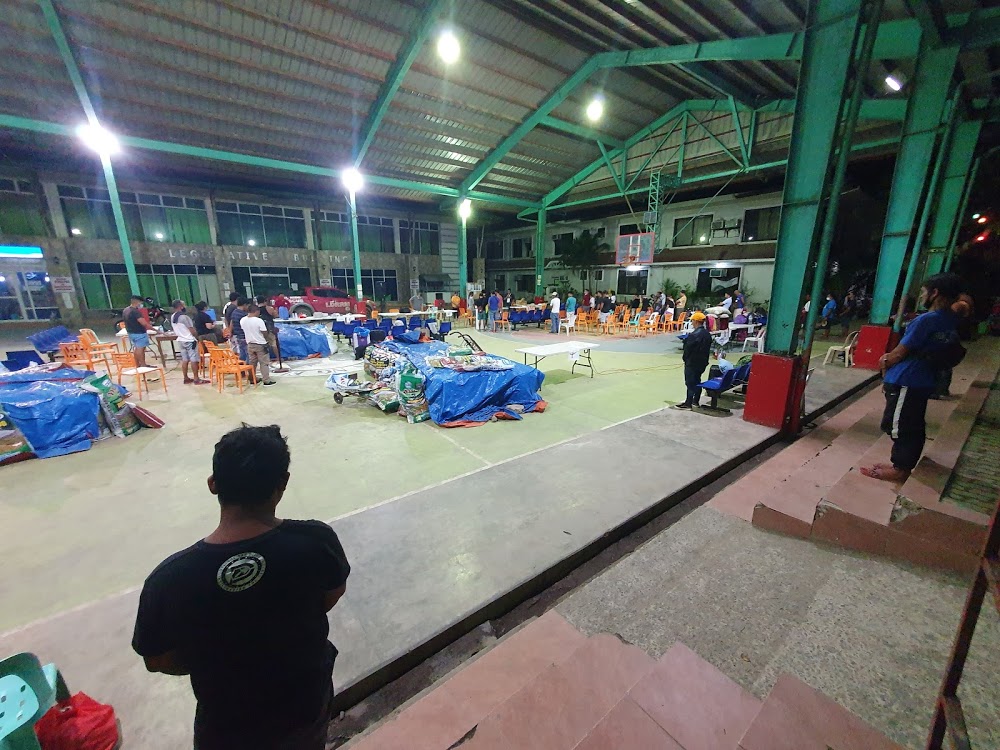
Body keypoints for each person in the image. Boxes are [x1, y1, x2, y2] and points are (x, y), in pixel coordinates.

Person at [132, 425, 350, 750]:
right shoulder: (315, 542)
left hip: (226, 727)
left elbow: (158, 660)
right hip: (304, 708)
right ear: (283, 484)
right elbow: (331, 595)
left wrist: (221, 658)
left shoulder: (170, 579)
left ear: (213, 484)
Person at [861, 273, 963, 483]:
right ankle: (901, 463)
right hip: (924, 379)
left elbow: (899, 353)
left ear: (935, 294)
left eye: (924, 292)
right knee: (911, 422)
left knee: (898, 425)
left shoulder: (925, 320)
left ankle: (900, 469)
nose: (921, 296)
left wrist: (885, 361)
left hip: (908, 379)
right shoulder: (950, 319)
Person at [677, 311, 712, 409]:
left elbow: (687, 350)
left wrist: (685, 359)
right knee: (697, 380)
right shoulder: (707, 334)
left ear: (696, 321)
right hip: (702, 362)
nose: (691, 323)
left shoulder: (694, 335)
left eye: (692, 321)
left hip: (692, 362)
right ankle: (695, 401)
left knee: (690, 382)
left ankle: (688, 402)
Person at [171, 300, 209, 385]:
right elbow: (192, 330)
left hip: (180, 340)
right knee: (194, 359)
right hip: (189, 340)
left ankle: (186, 377)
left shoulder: (173, 316)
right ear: (180, 306)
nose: (185, 306)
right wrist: (196, 337)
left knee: (185, 359)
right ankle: (196, 378)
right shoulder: (184, 317)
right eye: (184, 305)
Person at [241, 304, 276, 386]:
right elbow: (264, 332)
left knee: (252, 363)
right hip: (260, 344)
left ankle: (252, 378)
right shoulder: (258, 321)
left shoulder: (242, 320)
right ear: (256, 311)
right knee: (264, 362)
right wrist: (267, 340)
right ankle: (266, 379)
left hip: (250, 344)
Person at [123, 294, 158, 369]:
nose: (141, 305)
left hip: (131, 333)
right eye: (141, 303)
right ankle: (143, 365)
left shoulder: (126, 310)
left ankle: (137, 364)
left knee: (136, 348)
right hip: (139, 333)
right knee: (141, 349)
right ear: (137, 302)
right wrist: (155, 330)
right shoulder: (135, 312)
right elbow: (144, 323)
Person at [230, 297, 249, 362]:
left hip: (238, 336)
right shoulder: (243, 314)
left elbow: (231, 323)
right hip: (244, 336)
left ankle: (242, 369)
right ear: (244, 305)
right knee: (248, 355)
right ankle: (249, 369)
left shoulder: (234, 312)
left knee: (242, 354)